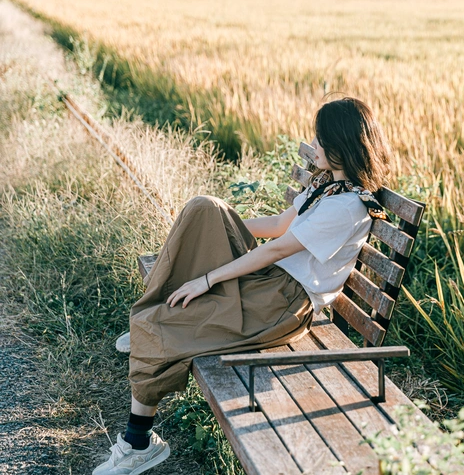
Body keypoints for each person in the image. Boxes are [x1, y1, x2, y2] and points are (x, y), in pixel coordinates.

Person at [93, 97, 391, 475]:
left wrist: (207, 278)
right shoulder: (330, 186)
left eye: (318, 141)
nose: (313, 145)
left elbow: (278, 249)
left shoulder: (347, 206)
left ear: (339, 146)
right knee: (206, 209)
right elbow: (281, 225)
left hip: (282, 303)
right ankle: (154, 314)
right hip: (269, 282)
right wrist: (219, 229)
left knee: (160, 326)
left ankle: (138, 444)